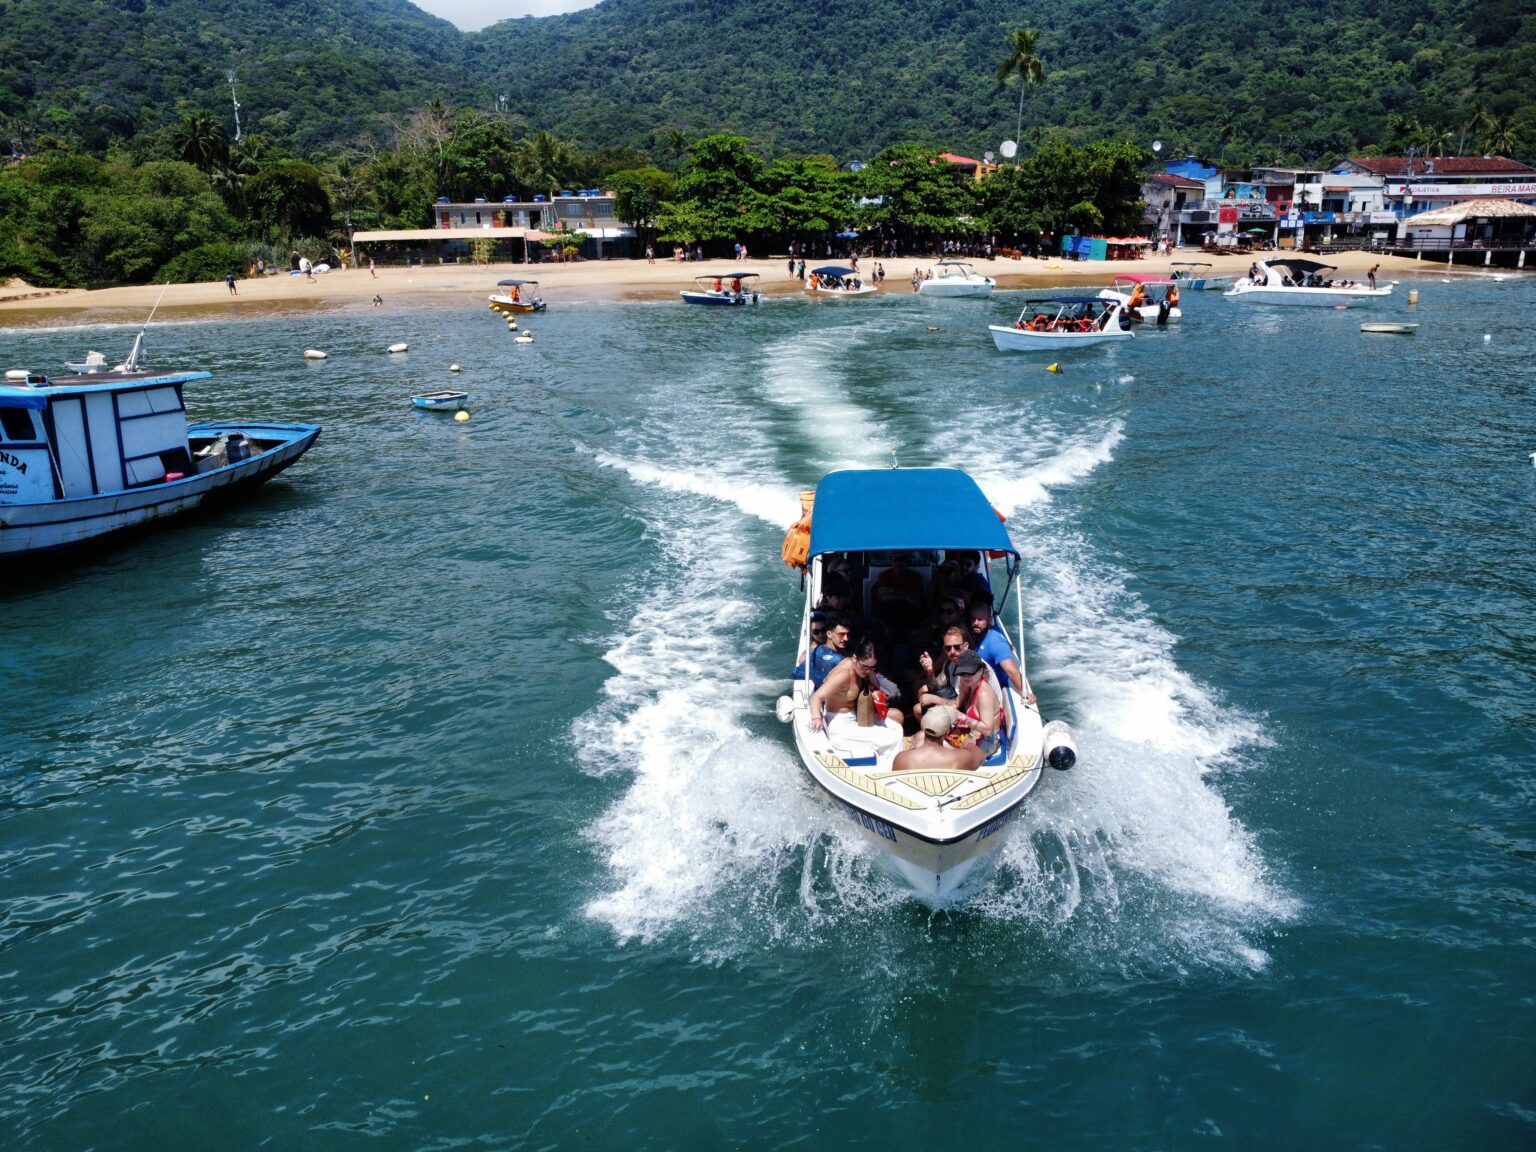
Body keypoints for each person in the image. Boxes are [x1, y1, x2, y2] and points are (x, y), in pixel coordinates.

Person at [808, 639, 904, 746]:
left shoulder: (863, 669)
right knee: (893, 737)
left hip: (858, 716)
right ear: (854, 658)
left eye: (871, 667)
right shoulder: (843, 673)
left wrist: (869, 670)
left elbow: (877, 686)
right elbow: (816, 697)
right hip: (840, 723)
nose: (867, 671)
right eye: (864, 666)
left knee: (897, 728)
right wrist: (816, 718)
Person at [892, 706, 986, 773]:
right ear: (947, 732)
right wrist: (968, 745)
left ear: (922, 725)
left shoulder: (902, 759)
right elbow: (981, 756)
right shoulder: (960, 757)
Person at [967, 597, 1028, 697]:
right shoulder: (990, 631)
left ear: (989, 620)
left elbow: (1012, 672)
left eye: (980, 619)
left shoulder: (995, 643)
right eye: (973, 619)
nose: (976, 623)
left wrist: (1027, 695)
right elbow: (1010, 647)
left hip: (989, 690)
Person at [950, 652, 1001, 755]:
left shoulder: (984, 694)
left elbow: (987, 730)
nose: (966, 677)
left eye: (970, 673)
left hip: (986, 743)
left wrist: (962, 717)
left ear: (981, 671)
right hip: (972, 733)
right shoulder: (967, 684)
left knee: (938, 746)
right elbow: (957, 704)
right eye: (962, 673)